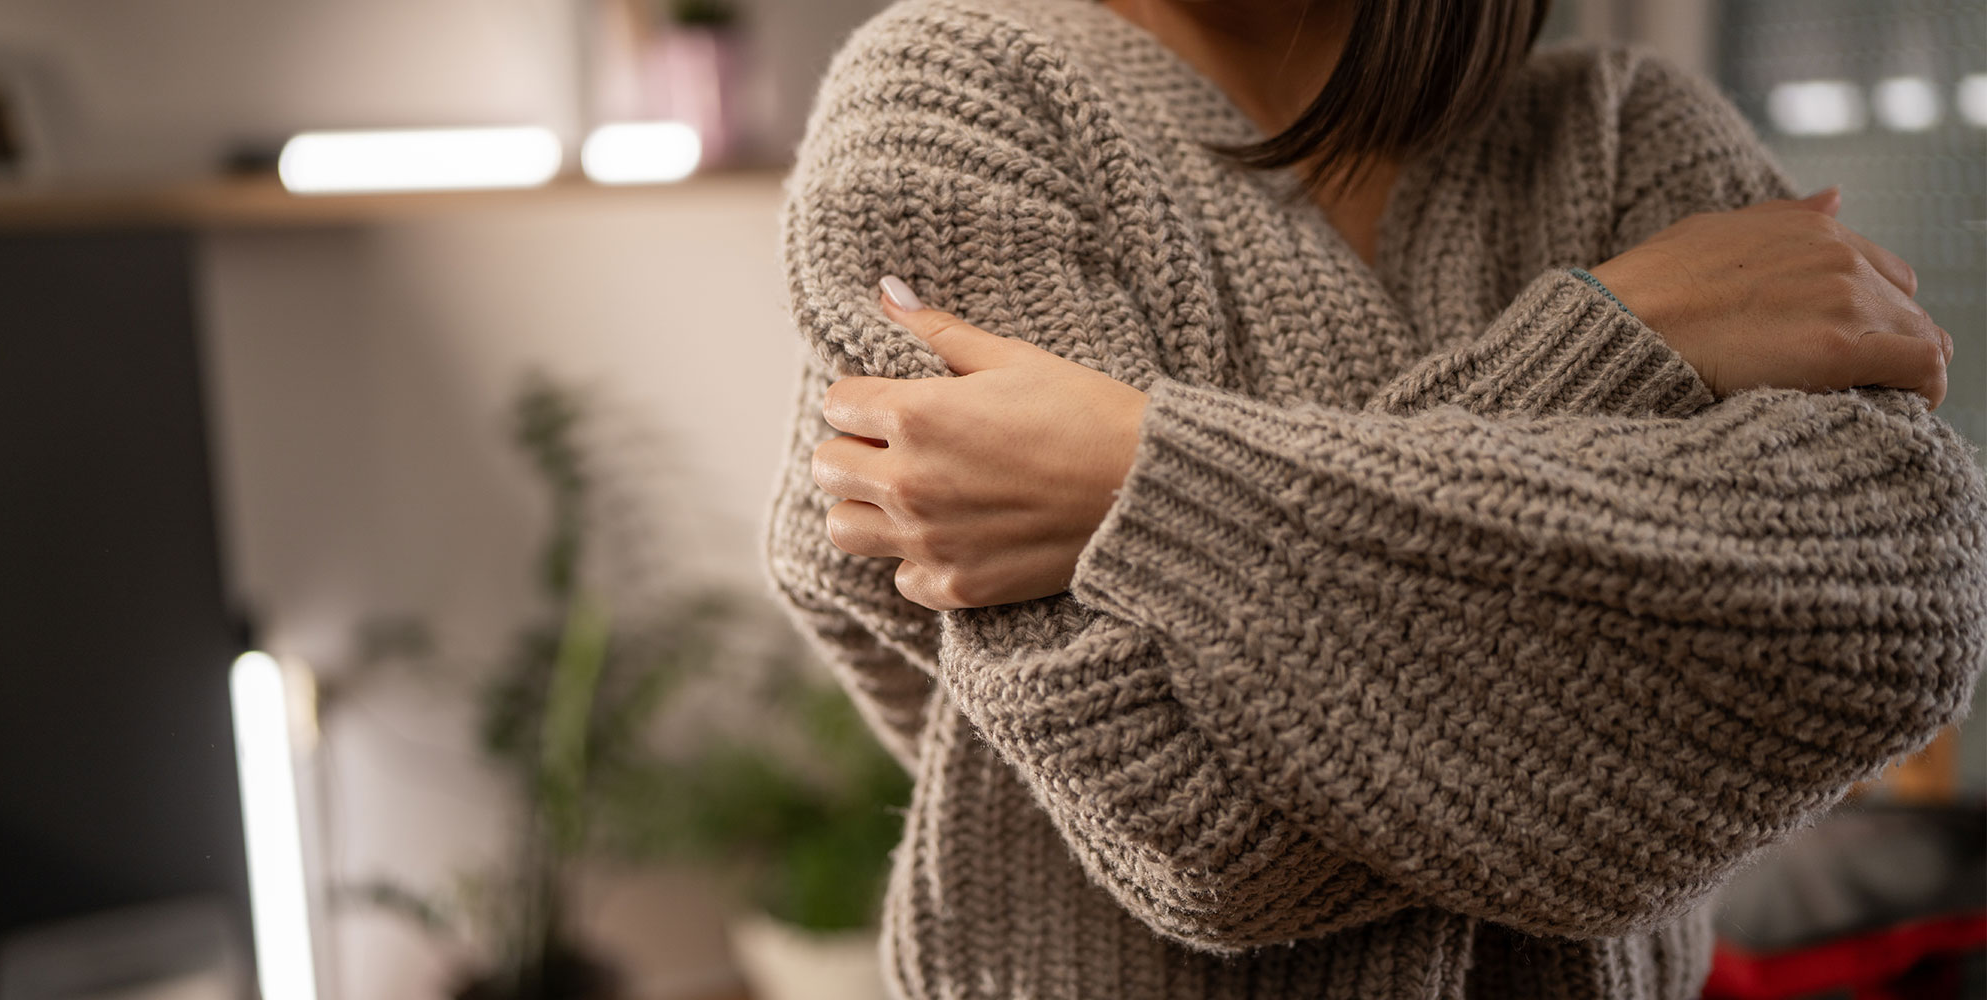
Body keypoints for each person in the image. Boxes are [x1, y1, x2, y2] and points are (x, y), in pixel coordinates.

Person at [764, 0, 1987, 997]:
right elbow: (1201, 832)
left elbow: (1893, 608)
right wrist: (1627, 333)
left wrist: (1138, 475)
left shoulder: (1624, 129)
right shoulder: (950, 103)